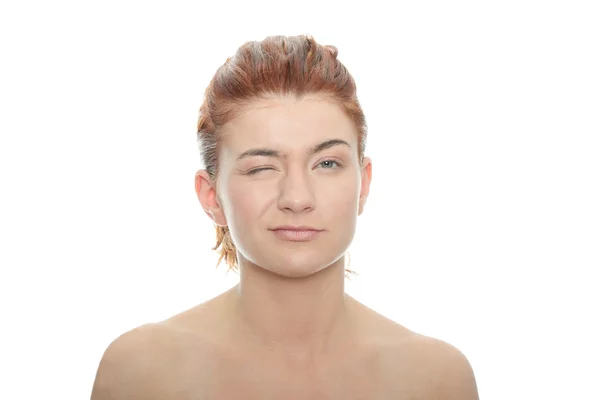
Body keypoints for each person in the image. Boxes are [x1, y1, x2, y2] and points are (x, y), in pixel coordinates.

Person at [91, 34, 479, 399]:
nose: (297, 198)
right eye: (262, 167)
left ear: (363, 184)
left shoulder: (436, 379)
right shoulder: (141, 374)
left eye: (327, 163)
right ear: (212, 197)